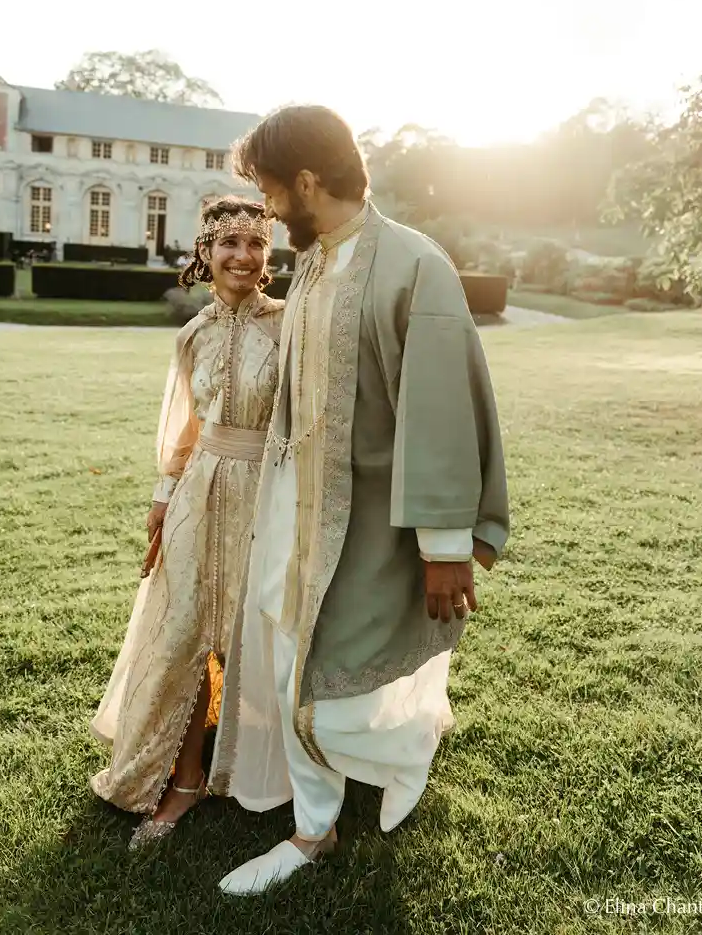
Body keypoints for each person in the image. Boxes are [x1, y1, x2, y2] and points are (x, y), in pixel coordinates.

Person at [209, 106, 510, 894]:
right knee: (288, 661)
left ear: (307, 180)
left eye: (270, 188)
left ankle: (404, 751)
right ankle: (314, 832)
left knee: (338, 683)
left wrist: (444, 548)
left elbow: (442, 414)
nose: (266, 206)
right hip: (290, 515)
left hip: (372, 528)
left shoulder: (415, 265)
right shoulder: (312, 263)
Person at [89, 196, 283, 849]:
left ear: (268, 255)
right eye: (229, 243)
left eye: (255, 243)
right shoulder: (192, 335)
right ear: (205, 253)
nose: (242, 256)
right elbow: (187, 430)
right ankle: (188, 777)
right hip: (198, 492)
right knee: (185, 631)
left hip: (267, 493)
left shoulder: (289, 326)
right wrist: (163, 496)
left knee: (261, 630)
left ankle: (278, 772)